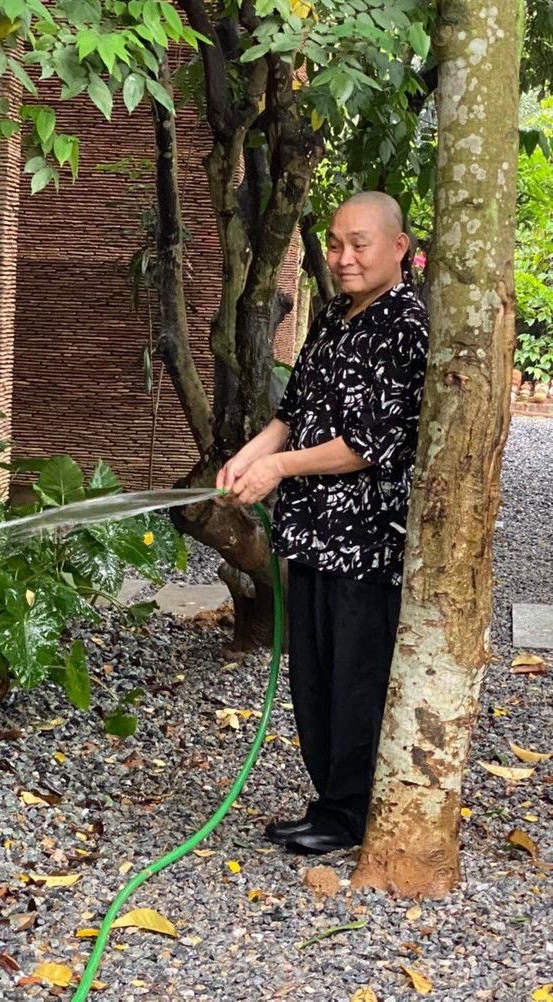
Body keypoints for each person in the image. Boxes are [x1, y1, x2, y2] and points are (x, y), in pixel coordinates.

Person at [216, 191, 429, 855]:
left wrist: (279, 472)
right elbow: (293, 411)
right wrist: (247, 459)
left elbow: (368, 445)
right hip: (310, 534)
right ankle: (328, 803)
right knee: (311, 676)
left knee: (355, 680)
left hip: (366, 544)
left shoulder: (407, 327)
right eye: (335, 243)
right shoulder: (336, 314)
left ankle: (349, 815)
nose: (342, 257)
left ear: (398, 247)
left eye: (358, 244)